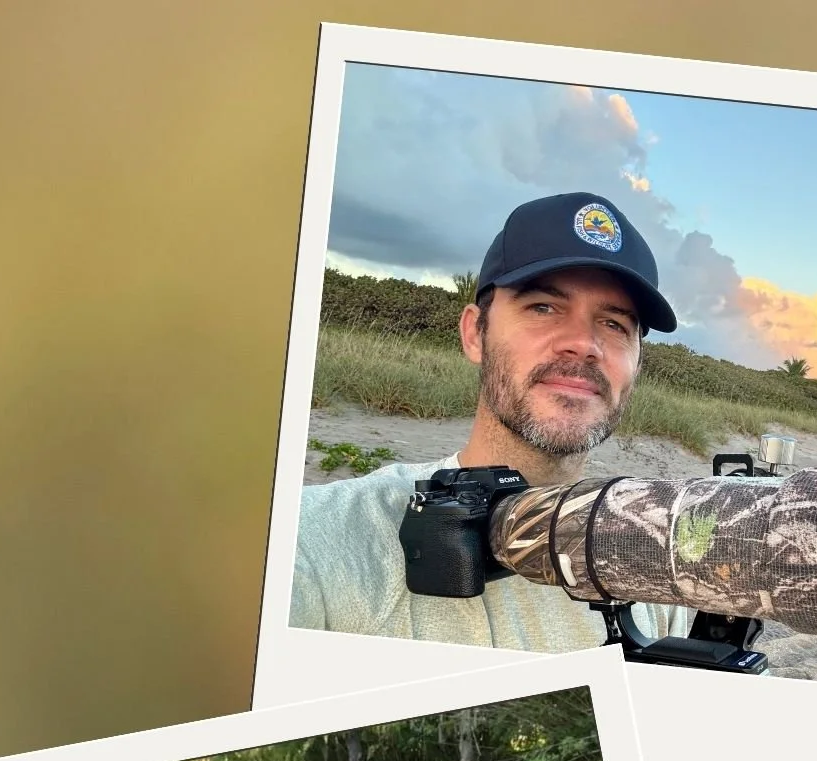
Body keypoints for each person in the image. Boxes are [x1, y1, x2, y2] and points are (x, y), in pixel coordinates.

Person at [289, 191, 684, 648]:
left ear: (636, 363)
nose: (584, 343)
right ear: (474, 333)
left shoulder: (647, 550)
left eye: (616, 324)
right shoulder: (326, 541)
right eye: (543, 307)